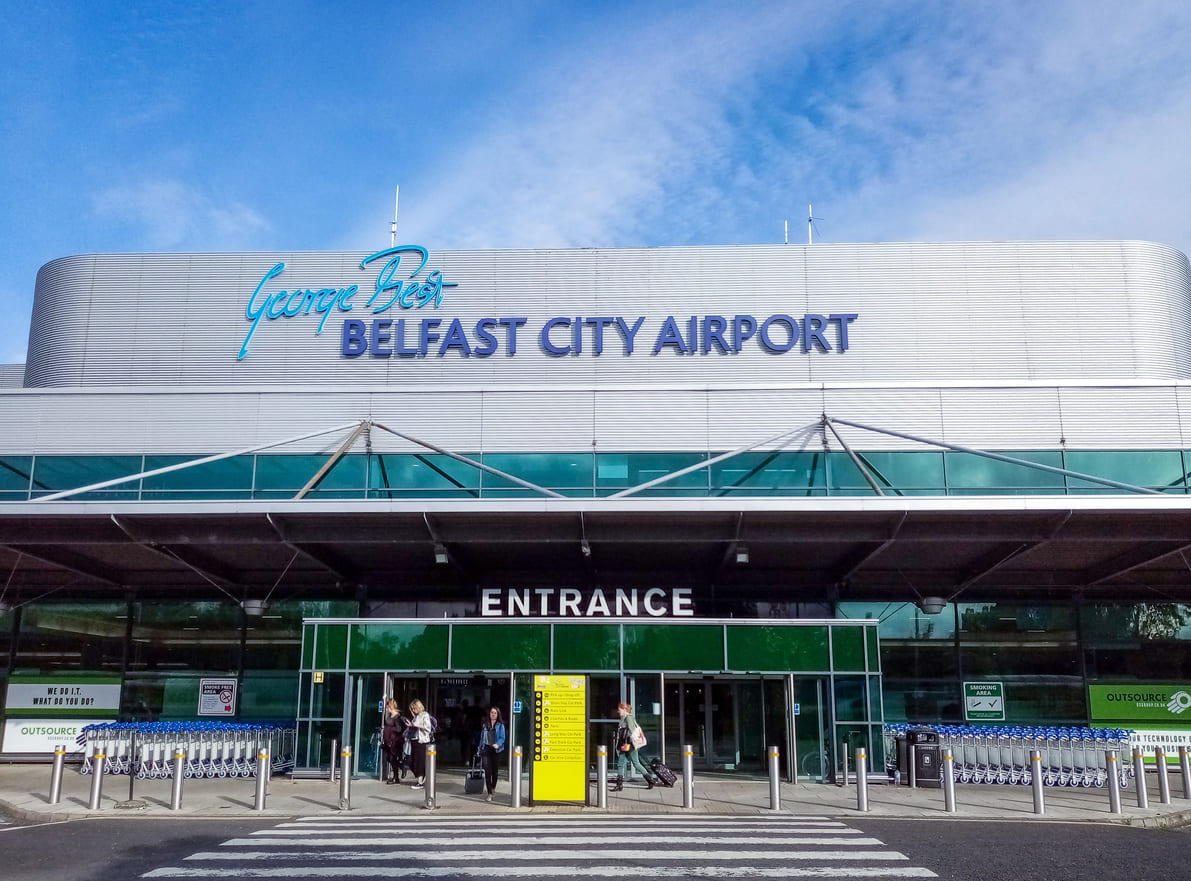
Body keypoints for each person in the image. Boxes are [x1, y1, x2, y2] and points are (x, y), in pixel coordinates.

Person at [616, 701, 657, 788]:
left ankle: (650, 780)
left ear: (624, 710)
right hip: (627, 744)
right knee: (628, 763)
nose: (618, 711)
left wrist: (628, 742)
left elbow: (632, 731)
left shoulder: (628, 718)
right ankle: (650, 780)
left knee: (633, 763)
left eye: (619, 710)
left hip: (628, 744)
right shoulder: (624, 718)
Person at [476, 706, 506, 802]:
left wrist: (498, 744)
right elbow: (482, 738)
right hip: (486, 749)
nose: (492, 714)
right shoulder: (485, 725)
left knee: (495, 772)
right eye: (491, 712)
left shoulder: (500, 725)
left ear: (498, 714)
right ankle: (489, 793)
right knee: (487, 772)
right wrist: (479, 750)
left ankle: (493, 788)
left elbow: (502, 738)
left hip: (496, 750)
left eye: (494, 713)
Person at [408, 698, 434, 790]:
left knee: (420, 762)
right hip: (415, 740)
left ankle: (420, 781)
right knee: (412, 761)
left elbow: (428, 728)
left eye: (414, 708)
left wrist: (416, 725)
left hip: (422, 741)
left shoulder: (424, 715)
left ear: (418, 707)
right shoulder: (416, 716)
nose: (413, 710)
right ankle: (421, 779)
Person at [381, 698, 408, 783]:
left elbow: (398, 729)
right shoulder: (390, 716)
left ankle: (399, 772)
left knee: (392, 758)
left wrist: (388, 729)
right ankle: (397, 774)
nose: (386, 709)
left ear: (390, 707)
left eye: (387, 707)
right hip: (388, 740)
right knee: (388, 758)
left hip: (394, 741)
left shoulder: (397, 717)